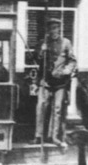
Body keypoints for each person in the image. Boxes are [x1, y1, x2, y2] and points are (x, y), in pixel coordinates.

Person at [32, 18, 77, 147]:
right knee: (41, 107)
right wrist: (42, 50)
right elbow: (36, 58)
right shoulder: (42, 43)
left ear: (59, 29)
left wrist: (66, 71)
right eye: (51, 28)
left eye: (56, 28)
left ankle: (55, 136)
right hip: (45, 81)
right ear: (47, 30)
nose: (54, 31)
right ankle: (38, 136)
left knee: (57, 109)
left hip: (60, 83)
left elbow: (72, 60)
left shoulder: (66, 43)